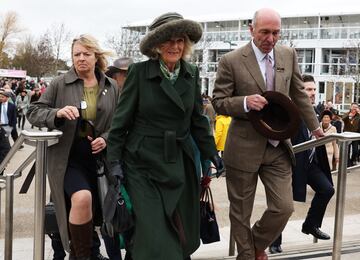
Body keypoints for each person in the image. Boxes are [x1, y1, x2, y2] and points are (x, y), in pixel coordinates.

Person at [106, 12, 224, 260]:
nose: (175, 46)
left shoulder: (191, 73)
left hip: (178, 163)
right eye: (168, 41)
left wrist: (211, 152)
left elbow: (197, 120)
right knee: (153, 233)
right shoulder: (139, 72)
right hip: (142, 164)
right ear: (156, 46)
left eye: (180, 40)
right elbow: (120, 124)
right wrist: (114, 163)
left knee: (180, 232)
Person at [212, 8, 322, 260]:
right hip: (242, 148)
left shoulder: (288, 54)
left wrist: (315, 127)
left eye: (275, 33)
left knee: (284, 207)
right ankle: (249, 256)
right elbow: (219, 101)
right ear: (251, 29)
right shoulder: (231, 60)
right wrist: (244, 102)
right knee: (240, 212)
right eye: (264, 32)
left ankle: (253, 245)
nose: (270, 39)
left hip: (277, 146)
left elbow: (298, 95)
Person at [27, 34, 119, 260]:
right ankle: (83, 256)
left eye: (86, 54)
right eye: (76, 54)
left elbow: (120, 123)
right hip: (67, 159)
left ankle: (82, 255)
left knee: (96, 211)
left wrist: (106, 138)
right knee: (82, 198)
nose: (81, 58)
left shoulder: (112, 86)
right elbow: (34, 112)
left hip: (99, 160)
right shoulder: (60, 83)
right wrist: (56, 113)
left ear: (96, 56)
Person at [269, 74, 335, 254]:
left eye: (314, 89)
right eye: (309, 89)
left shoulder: (313, 111)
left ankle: (310, 224)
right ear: (298, 92)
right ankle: (274, 241)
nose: (313, 93)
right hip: (291, 163)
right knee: (283, 205)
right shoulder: (290, 111)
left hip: (310, 162)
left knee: (327, 189)